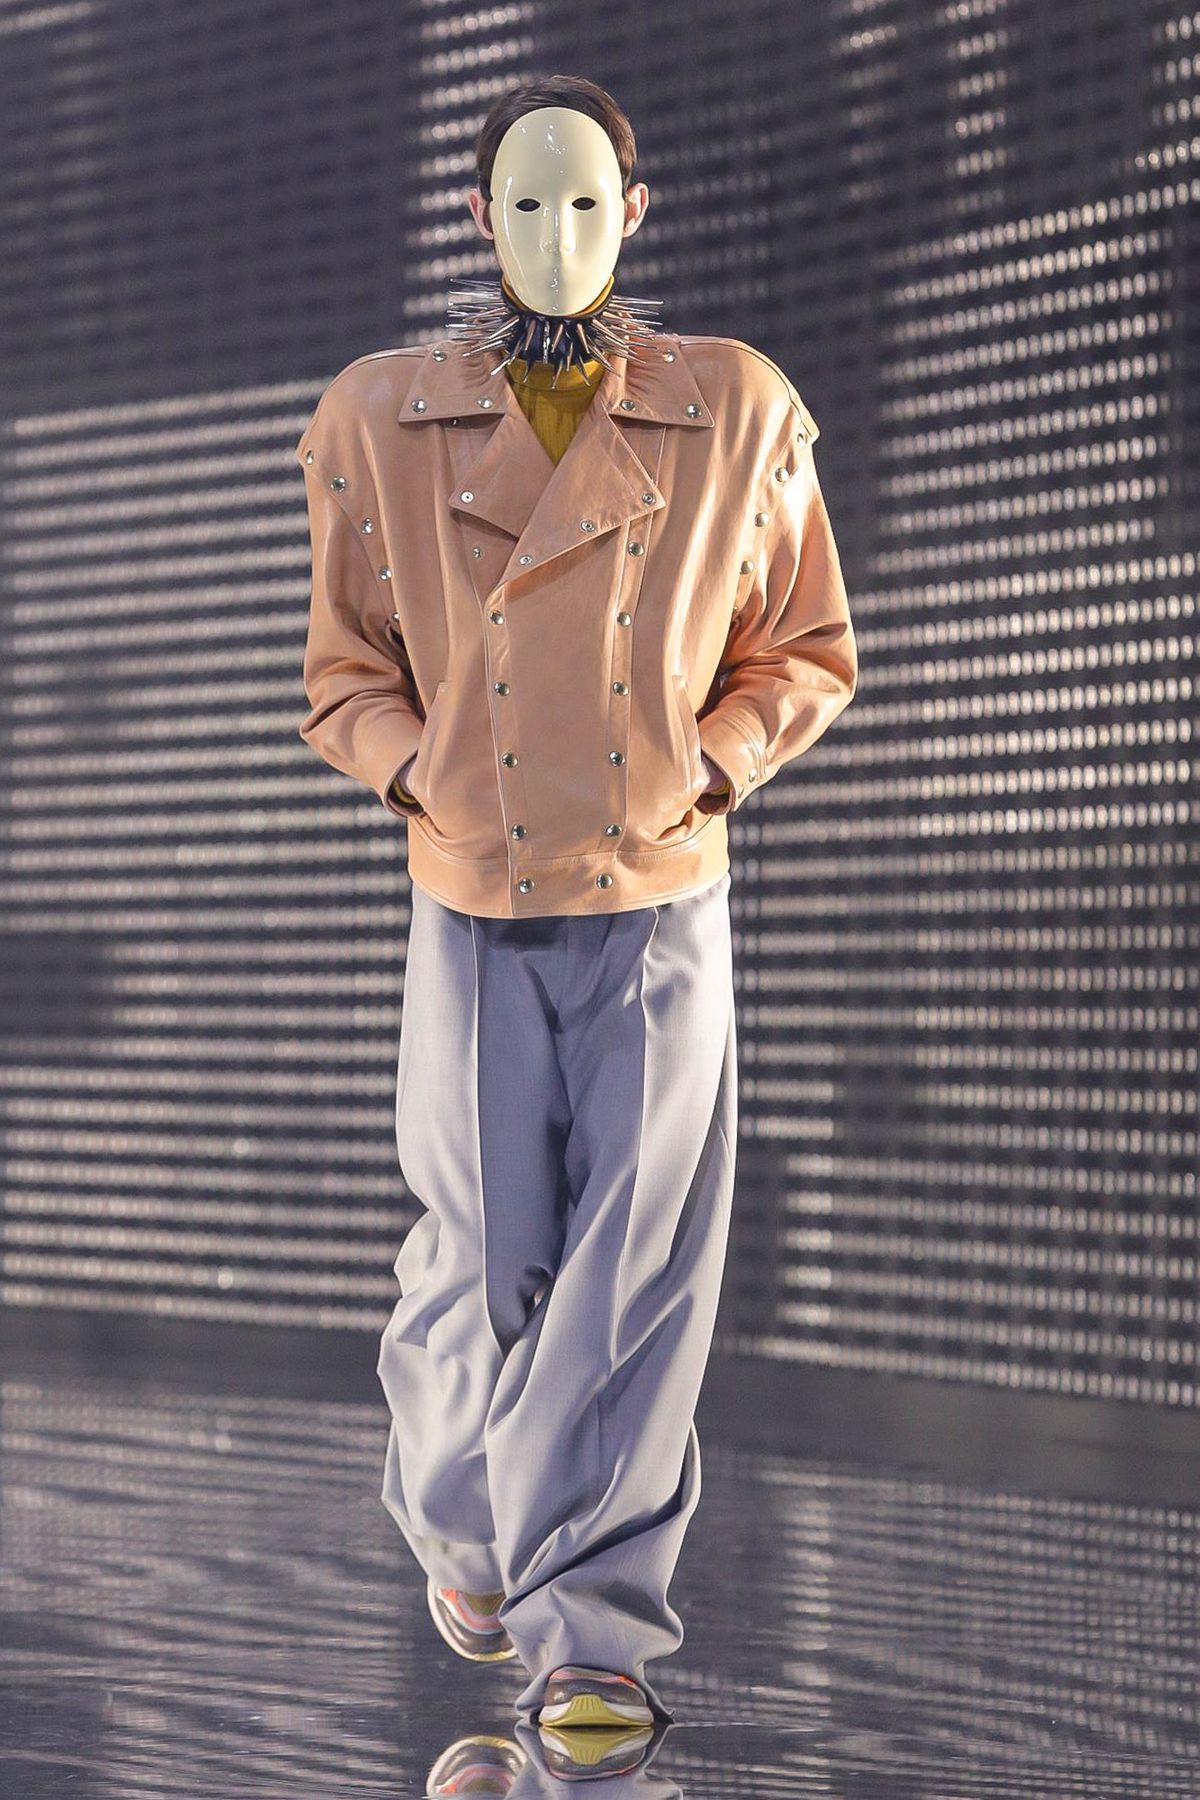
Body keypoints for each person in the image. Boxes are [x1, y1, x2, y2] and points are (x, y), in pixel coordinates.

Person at [295, 72, 858, 1757]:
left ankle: (590, 1637)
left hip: (658, 891)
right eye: (526, 203)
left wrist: (712, 768)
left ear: (637, 212)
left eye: (587, 200)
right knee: (476, 1250)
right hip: (472, 892)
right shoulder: (378, 418)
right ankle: (466, 1519)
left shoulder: (738, 407)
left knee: (637, 1266)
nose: (557, 230)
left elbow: (805, 647)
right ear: (480, 219)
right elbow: (341, 673)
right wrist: (421, 772)